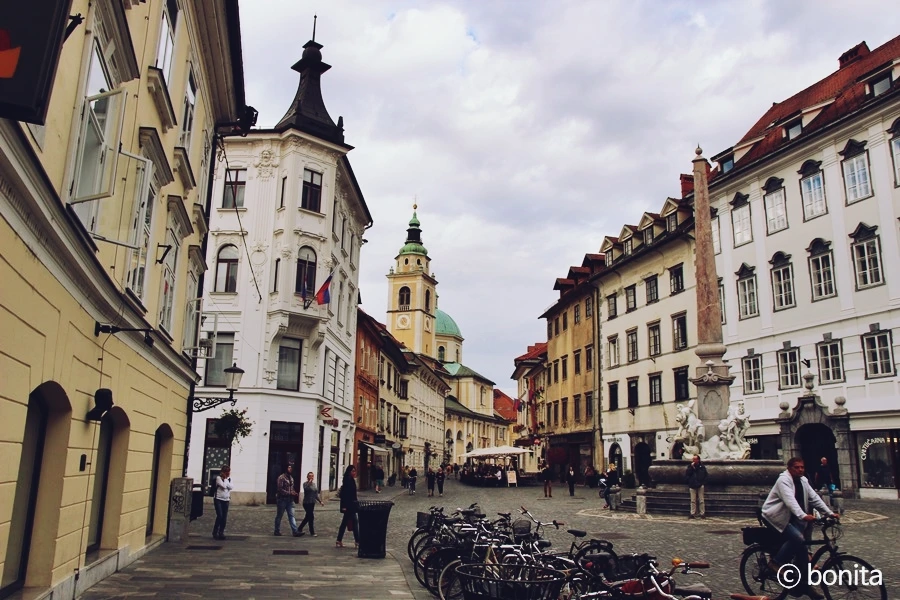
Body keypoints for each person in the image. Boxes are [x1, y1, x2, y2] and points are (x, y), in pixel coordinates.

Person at [761, 457, 838, 600]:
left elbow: (814, 498)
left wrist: (829, 513)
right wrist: (803, 515)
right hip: (775, 517)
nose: (800, 470)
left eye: (802, 467)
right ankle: (775, 563)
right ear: (789, 468)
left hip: (792, 517)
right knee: (798, 538)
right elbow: (790, 501)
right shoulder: (783, 480)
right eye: (797, 467)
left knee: (803, 550)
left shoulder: (803, 480)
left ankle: (804, 586)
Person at [274, 464, 302, 536]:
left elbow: (291, 488)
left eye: (291, 468)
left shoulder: (291, 478)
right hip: (282, 500)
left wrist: (294, 492)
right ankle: (276, 530)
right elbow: (280, 489)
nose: (290, 469)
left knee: (291, 515)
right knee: (279, 515)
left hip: (290, 500)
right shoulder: (281, 477)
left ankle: (295, 531)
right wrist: (289, 493)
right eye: (289, 467)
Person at [336, 465, 359, 548]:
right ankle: (357, 541)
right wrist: (344, 506)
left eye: (355, 471)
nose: (354, 472)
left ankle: (339, 540)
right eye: (352, 471)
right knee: (355, 522)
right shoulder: (348, 480)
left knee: (345, 523)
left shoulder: (350, 479)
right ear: (349, 472)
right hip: (349, 506)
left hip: (351, 505)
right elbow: (345, 494)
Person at [297, 471, 325, 536]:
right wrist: (309, 482)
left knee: (307, 517)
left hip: (312, 502)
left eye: (312, 476)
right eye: (310, 476)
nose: (311, 477)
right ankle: (312, 532)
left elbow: (315, 494)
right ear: (307, 477)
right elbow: (306, 489)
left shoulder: (314, 484)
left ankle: (299, 528)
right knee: (311, 517)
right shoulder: (305, 484)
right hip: (306, 503)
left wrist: (320, 501)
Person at [212, 465, 233, 540]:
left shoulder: (230, 479)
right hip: (218, 499)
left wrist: (226, 480)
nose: (228, 473)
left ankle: (221, 532)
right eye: (227, 472)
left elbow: (231, 487)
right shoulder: (218, 478)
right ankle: (215, 532)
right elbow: (223, 486)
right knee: (220, 515)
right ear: (223, 472)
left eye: (229, 472)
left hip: (226, 500)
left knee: (224, 517)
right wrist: (225, 480)